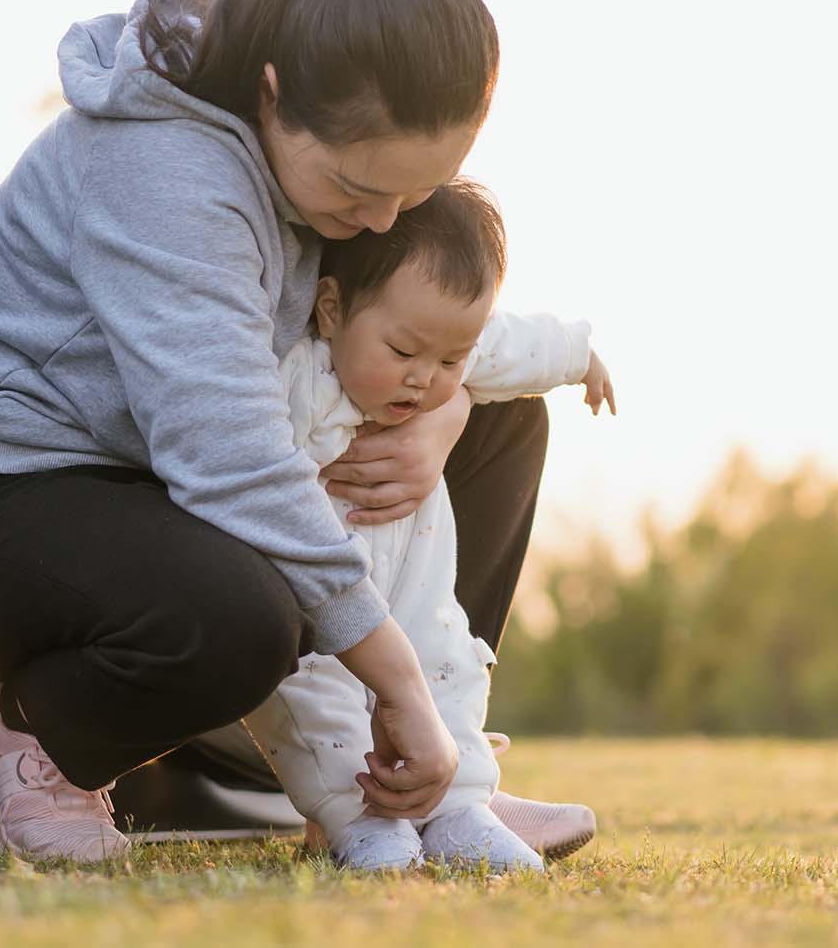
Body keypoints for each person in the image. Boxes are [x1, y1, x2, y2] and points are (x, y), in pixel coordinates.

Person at [0, 0, 593, 863]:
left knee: (503, 422)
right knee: (249, 613)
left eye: (416, 195)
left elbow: (419, 323)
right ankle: (39, 741)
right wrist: (397, 680)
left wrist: (444, 413)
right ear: (271, 94)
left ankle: (434, 780)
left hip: (168, 487)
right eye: (355, 192)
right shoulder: (164, 170)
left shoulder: (330, 135)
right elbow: (227, 458)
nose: (380, 227)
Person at [249, 179, 612, 872]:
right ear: (332, 310)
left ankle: (458, 806)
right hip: (319, 601)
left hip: (416, 589)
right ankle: (357, 818)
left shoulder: (441, 348)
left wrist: (579, 357)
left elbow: (510, 344)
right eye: (404, 353)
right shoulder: (295, 378)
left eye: (448, 361)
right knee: (321, 701)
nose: (425, 378)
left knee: (447, 669)